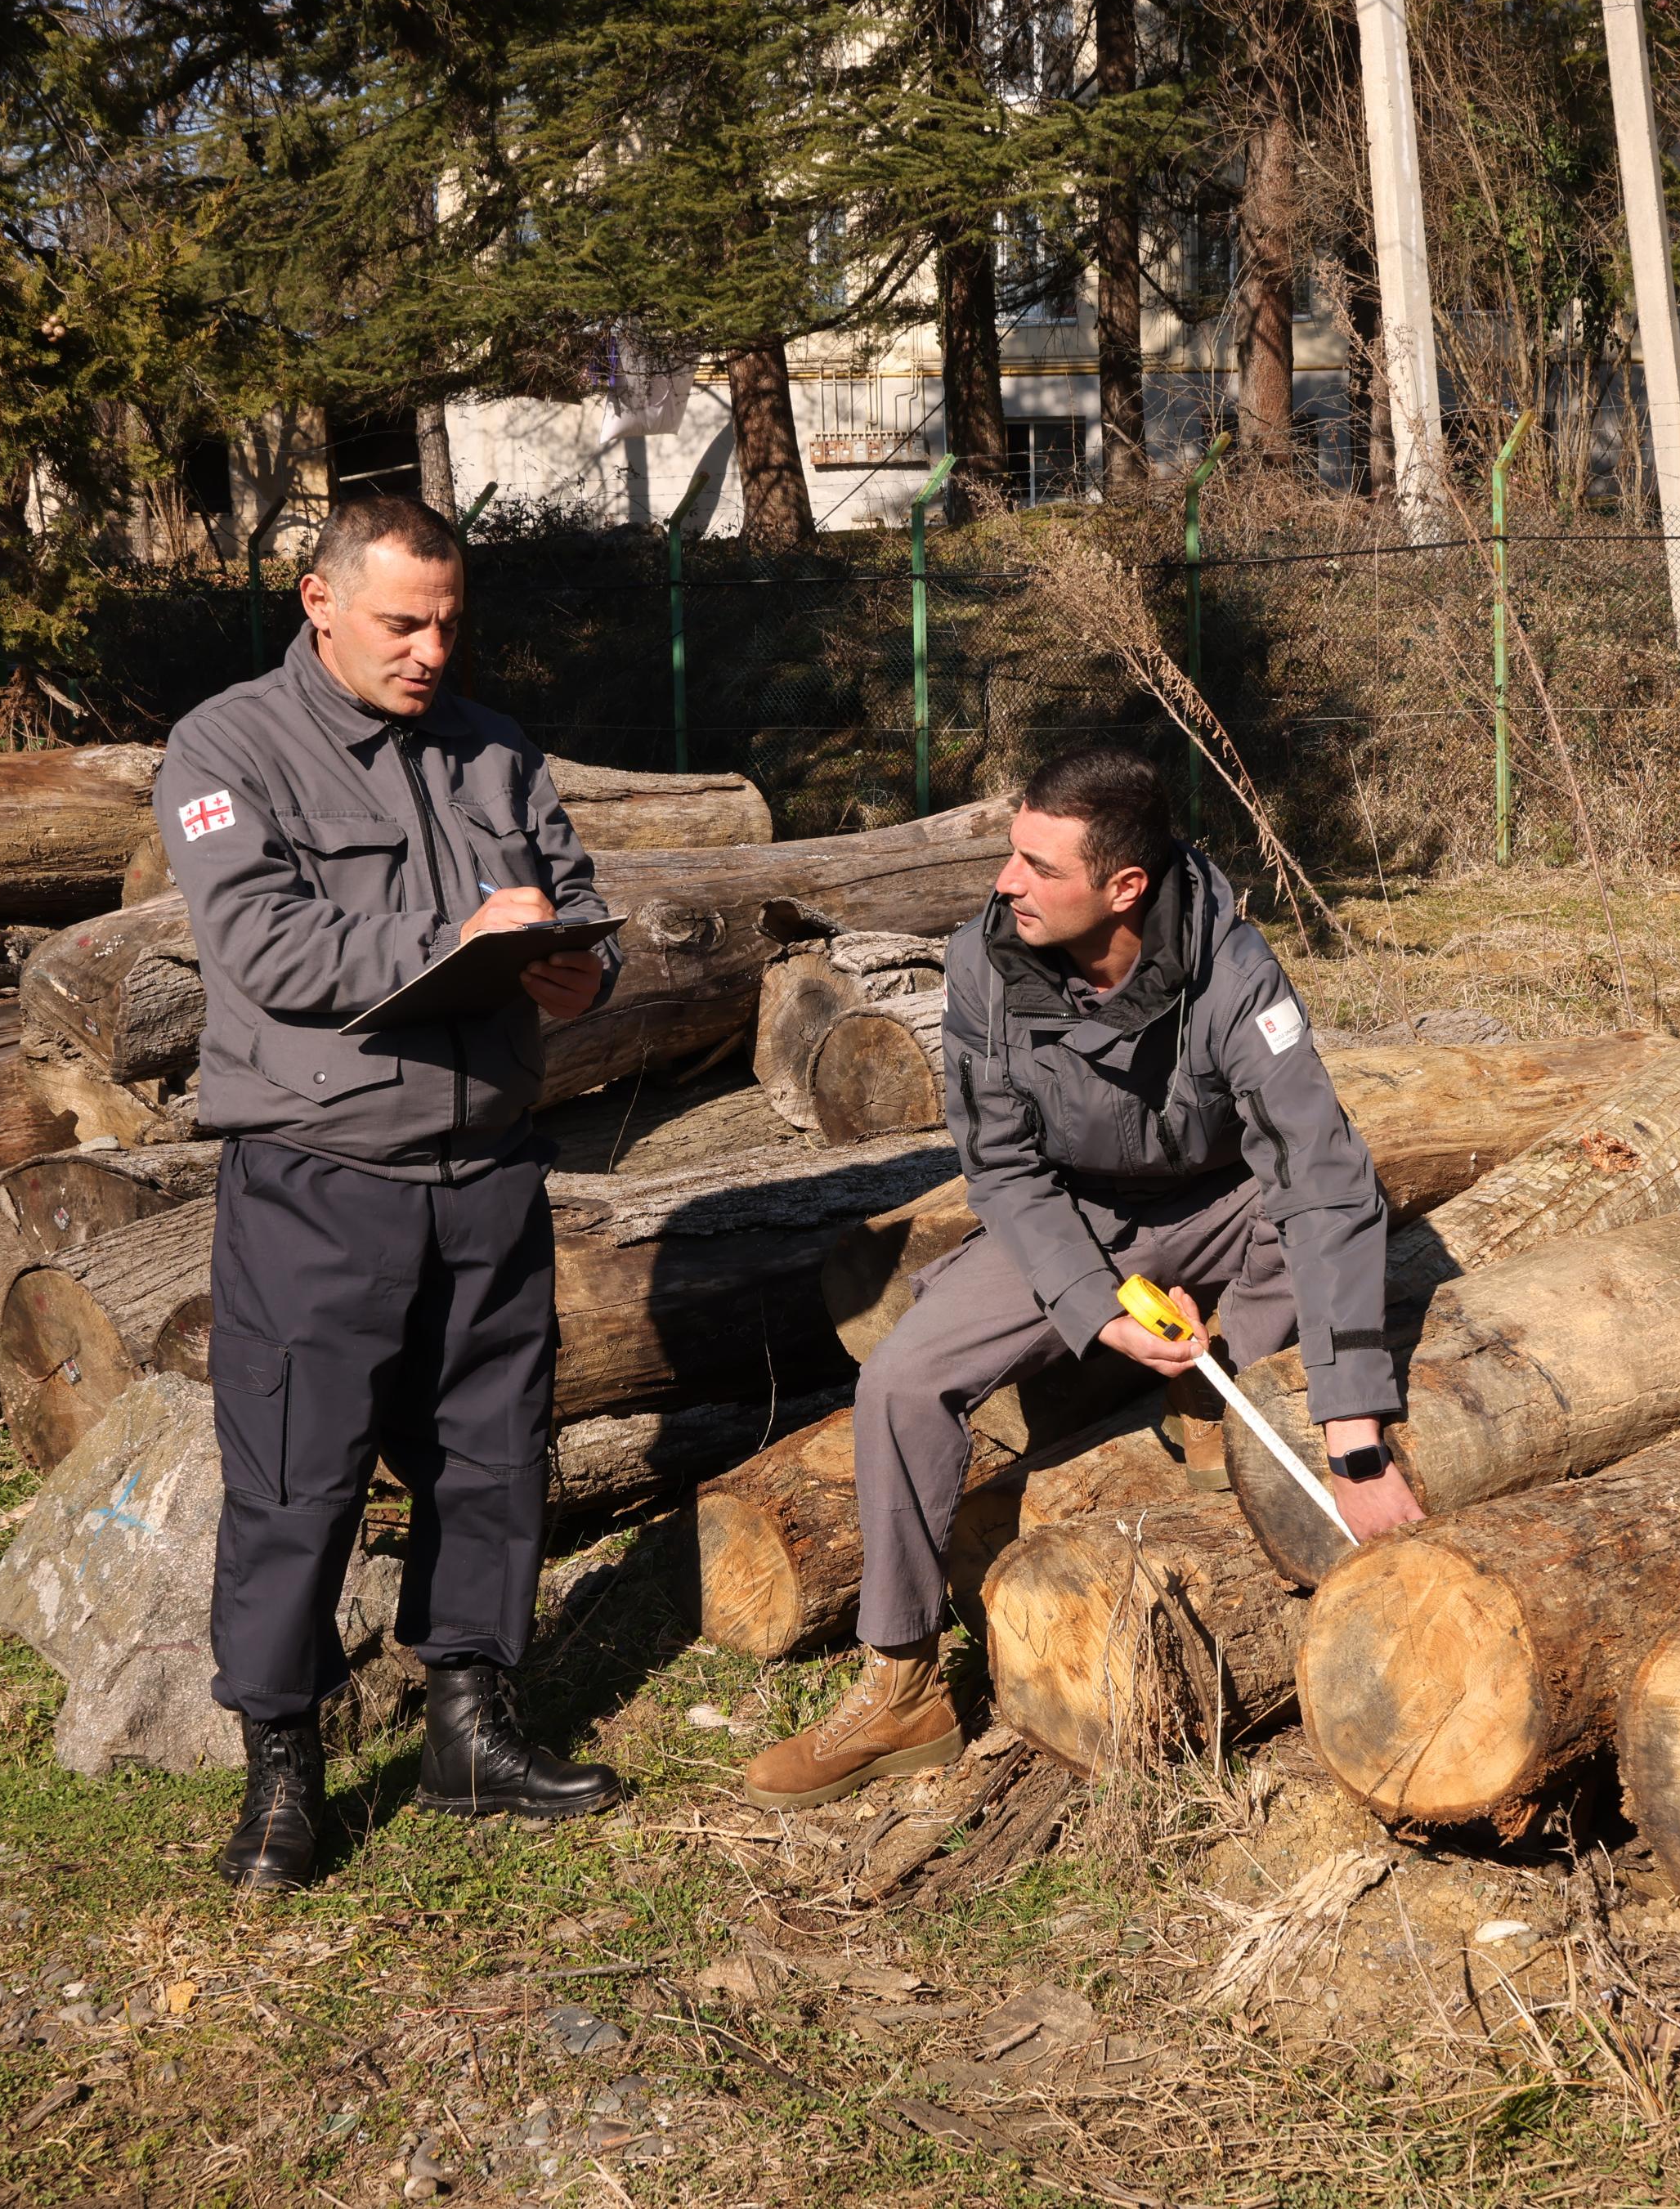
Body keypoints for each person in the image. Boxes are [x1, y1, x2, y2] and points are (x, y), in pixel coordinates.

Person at [740, 745, 1421, 1808]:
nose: (1007, 881)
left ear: (1125, 888)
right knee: (900, 1381)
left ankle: (1216, 1374)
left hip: (1221, 1202)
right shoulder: (982, 963)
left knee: (1318, 1198)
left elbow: (1319, 1177)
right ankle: (901, 1681)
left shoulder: (1234, 971)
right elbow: (1002, 1167)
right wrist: (1091, 1306)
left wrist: (1356, 1435)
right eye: (1014, 854)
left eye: (1038, 866)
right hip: (1068, 1217)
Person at [156, 494, 627, 1893]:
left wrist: (577, 970)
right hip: (322, 1178)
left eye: (449, 622)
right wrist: (454, 934)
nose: (431, 650)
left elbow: (577, 905)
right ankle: (283, 1769)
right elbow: (265, 946)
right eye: (401, 623)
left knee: (492, 1457)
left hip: (486, 1168)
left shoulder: (495, 751)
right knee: (298, 1478)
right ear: (319, 600)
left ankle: (470, 1727)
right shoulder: (227, 746)